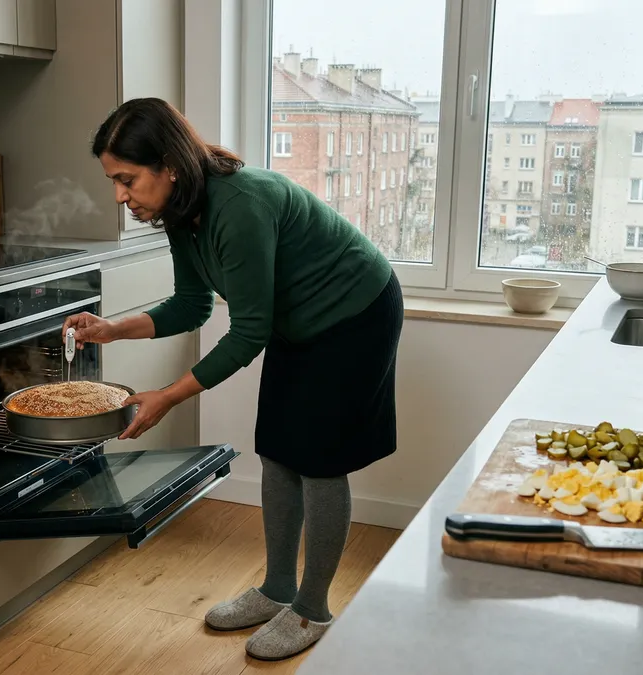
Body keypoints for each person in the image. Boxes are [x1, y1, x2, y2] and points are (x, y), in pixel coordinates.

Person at [63, 98, 403, 661]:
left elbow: (247, 334)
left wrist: (169, 396)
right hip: (295, 320)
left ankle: (312, 609)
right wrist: (113, 329)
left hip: (355, 313)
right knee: (278, 450)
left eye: (127, 179)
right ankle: (277, 590)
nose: (120, 196)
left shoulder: (240, 206)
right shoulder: (180, 212)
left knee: (320, 460)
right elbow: (192, 305)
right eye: (113, 182)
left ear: (169, 166)